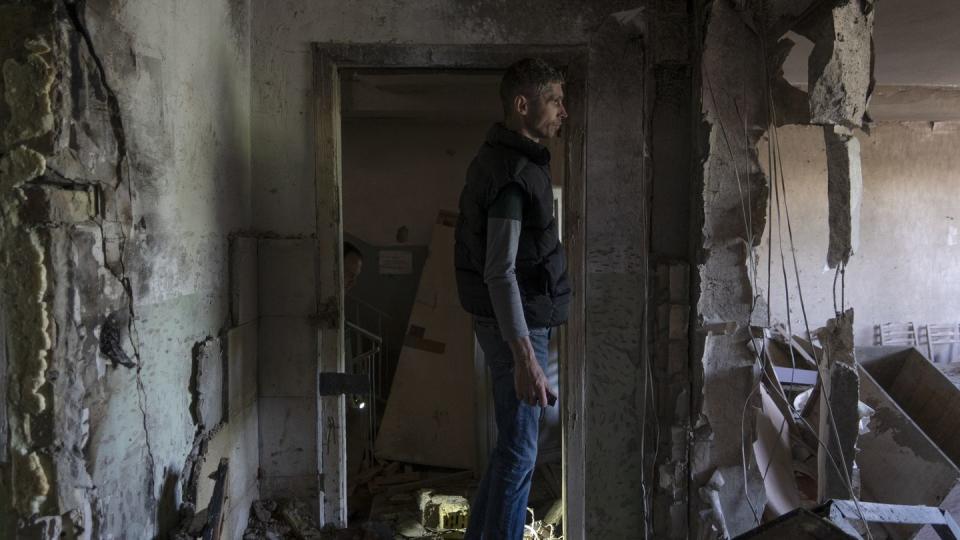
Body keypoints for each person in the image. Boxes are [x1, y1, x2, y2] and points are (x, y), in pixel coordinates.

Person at [454, 58, 571, 540]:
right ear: (523, 105)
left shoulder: (506, 163)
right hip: (517, 325)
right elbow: (499, 271)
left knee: (511, 451)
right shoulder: (511, 174)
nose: (564, 111)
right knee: (522, 453)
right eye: (555, 100)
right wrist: (526, 358)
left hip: (514, 319)